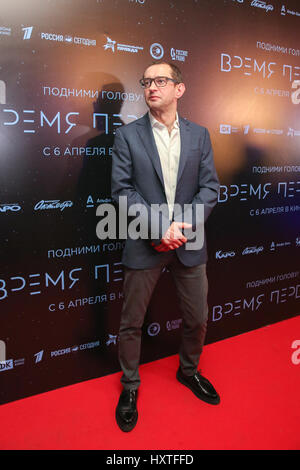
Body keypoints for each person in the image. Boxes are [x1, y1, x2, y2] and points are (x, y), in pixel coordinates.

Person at [111, 62, 220, 432]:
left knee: (197, 318)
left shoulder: (200, 135)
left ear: (179, 89)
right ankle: (129, 386)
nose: (151, 87)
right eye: (146, 82)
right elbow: (122, 191)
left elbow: (210, 188)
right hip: (145, 242)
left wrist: (182, 228)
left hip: (190, 241)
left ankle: (189, 371)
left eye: (160, 80)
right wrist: (160, 228)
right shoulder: (127, 136)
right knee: (131, 323)